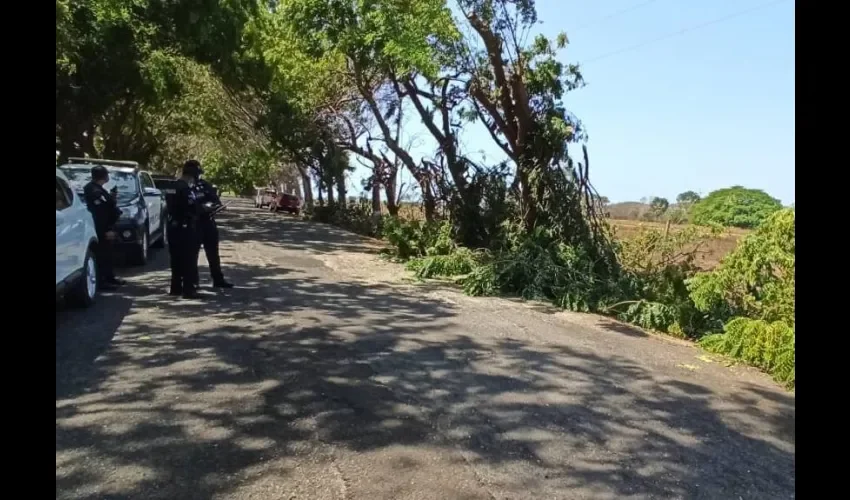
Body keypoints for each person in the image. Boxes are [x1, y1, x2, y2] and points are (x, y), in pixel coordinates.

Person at [188, 160, 233, 289]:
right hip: (193, 224)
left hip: (208, 222)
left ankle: (218, 280)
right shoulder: (184, 186)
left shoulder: (204, 185)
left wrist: (214, 206)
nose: (196, 176)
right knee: (192, 255)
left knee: (213, 254)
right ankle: (192, 282)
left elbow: (215, 200)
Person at [83, 165, 125, 290]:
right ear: (103, 176)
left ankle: (109, 277)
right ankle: (102, 282)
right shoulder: (93, 190)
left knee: (108, 255)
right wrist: (106, 231)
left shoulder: (99, 189)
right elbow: (100, 213)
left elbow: (108, 206)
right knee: (102, 255)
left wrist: (112, 197)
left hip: (106, 226)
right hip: (101, 228)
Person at [166, 161, 203, 299]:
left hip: (173, 227)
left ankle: (175, 288)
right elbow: (191, 207)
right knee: (189, 259)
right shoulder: (186, 189)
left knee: (175, 259)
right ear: (193, 175)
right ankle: (188, 290)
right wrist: (203, 209)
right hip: (185, 227)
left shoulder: (172, 186)